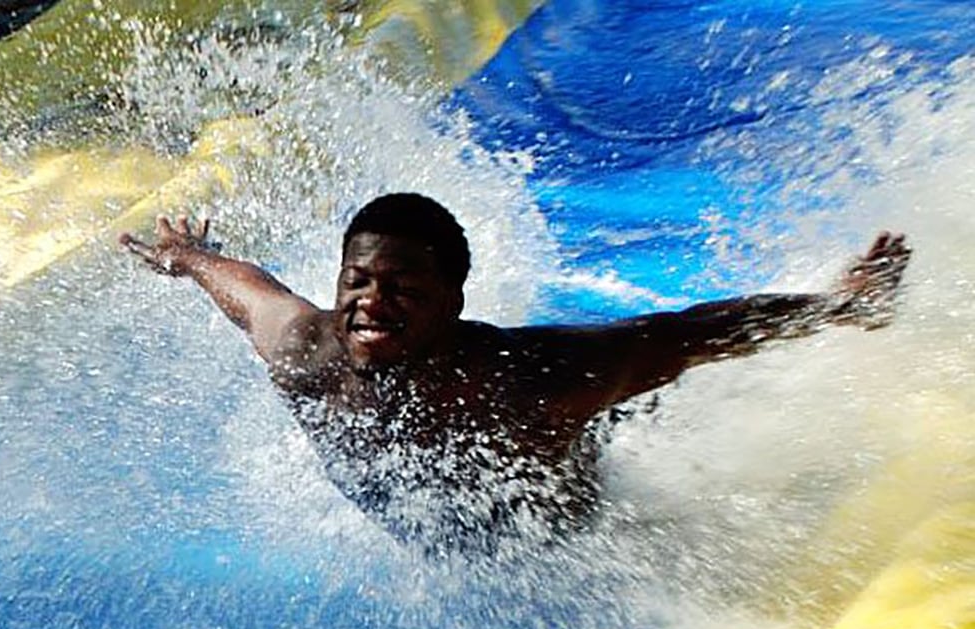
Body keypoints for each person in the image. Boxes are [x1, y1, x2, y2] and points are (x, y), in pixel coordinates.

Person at [120, 192, 911, 554]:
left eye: (403, 289)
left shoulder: (530, 375)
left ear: (454, 302)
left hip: (564, 536)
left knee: (634, 406)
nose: (371, 304)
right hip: (434, 530)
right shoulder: (306, 349)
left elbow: (689, 331)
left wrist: (838, 307)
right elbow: (247, 290)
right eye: (358, 282)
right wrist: (185, 255)